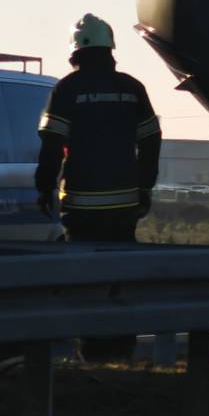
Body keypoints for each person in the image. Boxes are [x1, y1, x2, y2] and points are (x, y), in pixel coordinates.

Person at [34, 14, 161, 245]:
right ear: (110, 49)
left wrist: (44, 187)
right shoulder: (132, 88)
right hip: (126, 205)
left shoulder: (67, 89)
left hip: (80, 205)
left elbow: (52, 144)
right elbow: (151, 140)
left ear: (75, 51)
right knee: (119, 268)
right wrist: (144, 186)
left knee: (83, 271)